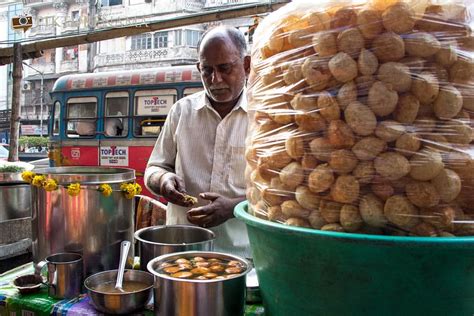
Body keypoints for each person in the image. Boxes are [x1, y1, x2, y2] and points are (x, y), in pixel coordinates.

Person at [144, 26, 251, 258]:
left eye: (225, 68)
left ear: (247, 65)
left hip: (244, 255)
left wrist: (233, 207)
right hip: (182, 250)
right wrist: (163, 180)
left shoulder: (265, 116)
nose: (215, 79)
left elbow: (278, 193)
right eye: (207, 71)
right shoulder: (181, 111)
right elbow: (153, 168)